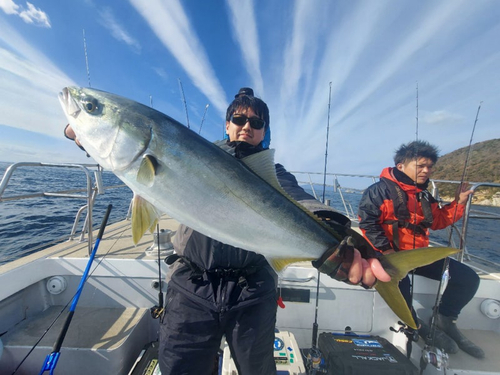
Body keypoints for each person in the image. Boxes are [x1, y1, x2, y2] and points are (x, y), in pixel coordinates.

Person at [64, 88, 390, 374]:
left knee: (256, 370)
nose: (247, 126)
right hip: (192, 285)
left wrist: (335, 230)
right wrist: (85, 130)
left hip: (252, 291)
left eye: (257, 122)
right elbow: (125, 148)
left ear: (265, 132)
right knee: (180, 366)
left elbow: (300, 201)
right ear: (227, 124)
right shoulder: (192, 152)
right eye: (238, 119)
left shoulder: (272, 174)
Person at [358, 140, 484, 358]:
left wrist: (459, 203)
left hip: (420, 257)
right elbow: (367, 223)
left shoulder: (424, 195)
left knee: (468, 278)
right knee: (400, 291)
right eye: (420, 166)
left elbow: (439, 220)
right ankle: (415, 325)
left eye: (429, 167)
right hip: (392, 257)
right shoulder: (378, 191)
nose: (427, 171)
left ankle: (445, 319)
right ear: (401, 166)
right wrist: (387, 253)